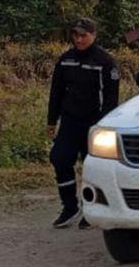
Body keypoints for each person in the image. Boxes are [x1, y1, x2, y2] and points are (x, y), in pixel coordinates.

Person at [46, 18, 120, 229]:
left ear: (93, 35)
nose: (79, 39)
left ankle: (92, 209)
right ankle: (69, 207)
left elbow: (110, 98)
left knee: (92, 168)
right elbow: (56, 92)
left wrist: (104, 126)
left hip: (94, 124)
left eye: (83, 35)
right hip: (70, 121)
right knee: (59, 159)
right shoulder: (65, 59)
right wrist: (51, 120)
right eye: (76, 35)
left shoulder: (105, 61)